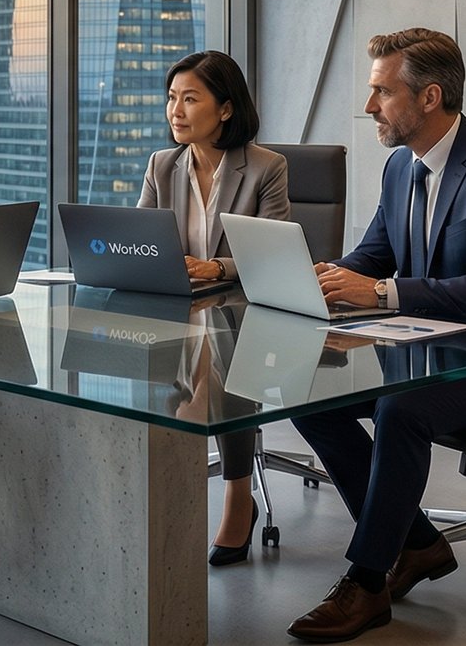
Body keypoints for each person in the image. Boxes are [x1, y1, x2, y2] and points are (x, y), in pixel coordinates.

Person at [281, 28, 466, 643]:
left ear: (429, 97)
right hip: (428, 351)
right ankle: (418, 542)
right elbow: (374, 255)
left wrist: (381, 294)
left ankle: (367, 581)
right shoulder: (402, 165)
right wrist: (319, 278)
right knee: (308, 394)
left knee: (401, 409)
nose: (369, 106)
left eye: (382, 92)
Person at [136, 50, 290, 566]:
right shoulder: (162, 166)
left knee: (221, 359)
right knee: (183, 354)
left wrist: (215, 268)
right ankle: (178, 484)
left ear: (225, 109)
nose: (175, 111)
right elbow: (140, 242)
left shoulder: (266, 168)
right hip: (182, 308)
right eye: (171, 98)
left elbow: (271, 255)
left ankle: (236, 494)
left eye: (190, 99)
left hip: (248, 311)